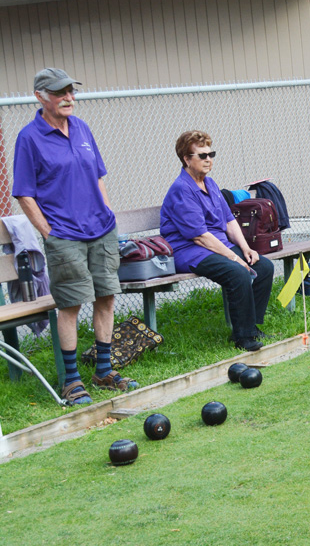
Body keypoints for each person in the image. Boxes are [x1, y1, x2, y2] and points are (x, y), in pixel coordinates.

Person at [13, 67, 139, 405]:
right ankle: (71, 381)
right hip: (64, 236)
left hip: (101, 230)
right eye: (60, 92)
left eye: (71, 91)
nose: (69, 97)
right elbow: (24, 193)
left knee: (107, 297)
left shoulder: (82, 128)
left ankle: (103, 370)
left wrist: (108, 215)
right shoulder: (29, 138)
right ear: (40, 97)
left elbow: (99, 176)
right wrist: (48, 232)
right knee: (70, 304)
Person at [160, 131, 274, 352]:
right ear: (186, 158)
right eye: (202, 155)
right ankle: (242, 337)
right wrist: (233, 257)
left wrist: (245, 249)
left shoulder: (210, 184)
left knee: (264, 266)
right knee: (238, 272)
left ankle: (252, 326)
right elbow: (200, 237)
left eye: (211, 154)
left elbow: (230, 221)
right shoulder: (182, 189)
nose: (208, 159)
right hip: (191, 250)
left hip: (217, 245)